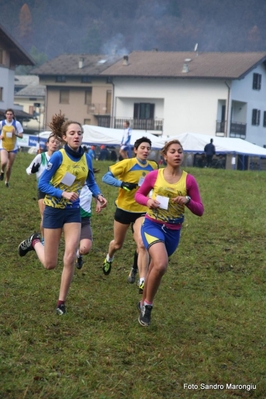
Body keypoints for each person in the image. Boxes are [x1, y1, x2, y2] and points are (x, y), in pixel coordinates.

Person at [18, 112, 107, 315]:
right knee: (50, 264)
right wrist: (63, 193)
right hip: (53, 211)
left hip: (72, 213)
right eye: (72, 133)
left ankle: (61, 302)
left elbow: (91, 180)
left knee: (69, 258)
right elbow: (42, 183)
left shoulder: (87, 157)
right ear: (64, 137)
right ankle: (34, 242)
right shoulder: (59, 156)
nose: (77, 136)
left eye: (80, 133)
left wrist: (98, 195)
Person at [135, 139, 204, 327]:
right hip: (152, 225)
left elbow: (200, 210)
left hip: (173, 231)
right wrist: (148, 202)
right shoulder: (154, 176)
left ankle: (142, 302)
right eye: (173, 151)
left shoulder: (189, 180)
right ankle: (148, 306)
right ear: (164, 156)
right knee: (161, 264)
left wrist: (188, 200)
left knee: (155, 268)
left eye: (180, 151)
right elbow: (139, 195)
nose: (177, 154)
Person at [102, 137, 158, 293]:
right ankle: (109, 257)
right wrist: (122, 184)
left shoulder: (153, 166)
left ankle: (142, 280)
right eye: (143, 148)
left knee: (142, 244)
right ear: (135, 150)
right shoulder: (127, 163)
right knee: (117, 244)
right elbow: (105, 177)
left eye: (148, 148)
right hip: (124, 209)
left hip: (142, 210)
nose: (146, 151)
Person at [26, 133, 61, 242]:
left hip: (56, 190)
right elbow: (28, 170)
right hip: (43, 189)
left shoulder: (60, 157)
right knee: (44, 216)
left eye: (57, 142)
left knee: (55, 217)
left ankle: (51, 239)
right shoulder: (40, 157)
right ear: (47, 144)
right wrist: (32, 170)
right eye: (52, 142)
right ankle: (44, 239)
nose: (54, 144)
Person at [76, 184, 103, 269]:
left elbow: (95, 191)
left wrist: (98, 202)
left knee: (85, 248)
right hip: (69, 221)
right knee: (70, 249)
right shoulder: (70, 178)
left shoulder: (90, 183)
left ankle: (78, 254)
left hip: (84, 221)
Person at [0, 108, 23, 187]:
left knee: (9, 166)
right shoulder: (2, 123)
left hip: (13, 147)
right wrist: (0, 136)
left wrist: (15, 134)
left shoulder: (17, 124)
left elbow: (21, 135)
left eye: (11, 114)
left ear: (13, 115)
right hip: (3, 146)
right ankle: (2, 170)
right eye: (8, 114)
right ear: (5, 115)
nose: (9, 116)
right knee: (4, 162)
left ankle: (7, 181)